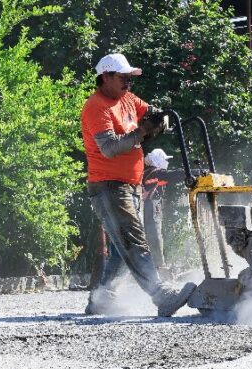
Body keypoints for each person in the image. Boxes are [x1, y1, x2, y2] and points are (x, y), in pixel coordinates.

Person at [80, 53, 195, 317]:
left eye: (130, 79)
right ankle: (162, 296)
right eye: (123, 78)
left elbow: (155, 114)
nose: (129, 84)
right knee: (134, 241)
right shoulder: (97, 107)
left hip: (129, 185)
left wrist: (159, 120)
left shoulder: (128, 99)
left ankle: (101, 300)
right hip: (109, 185)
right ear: (106, 77)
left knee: (122, 249)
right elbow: (109, 148)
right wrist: (142, 131)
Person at [141, 148, 186, 274]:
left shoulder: (148, 172)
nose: (166, 162)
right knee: (154, 237)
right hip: (150, 209)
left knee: (152, 238)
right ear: (158, 160)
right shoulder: (154, 173)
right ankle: (159, 268)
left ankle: (155, 267)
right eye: (164, 160)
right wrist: (196, 173)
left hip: (149, 209)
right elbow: (173, 175)